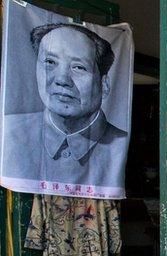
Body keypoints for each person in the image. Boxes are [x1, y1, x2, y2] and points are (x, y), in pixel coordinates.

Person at [2, 23, 127, 189]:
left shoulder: (121, 145)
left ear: (104, 85)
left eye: (78, 67)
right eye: (50, 62)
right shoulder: (8, 133)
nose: (61, 79)